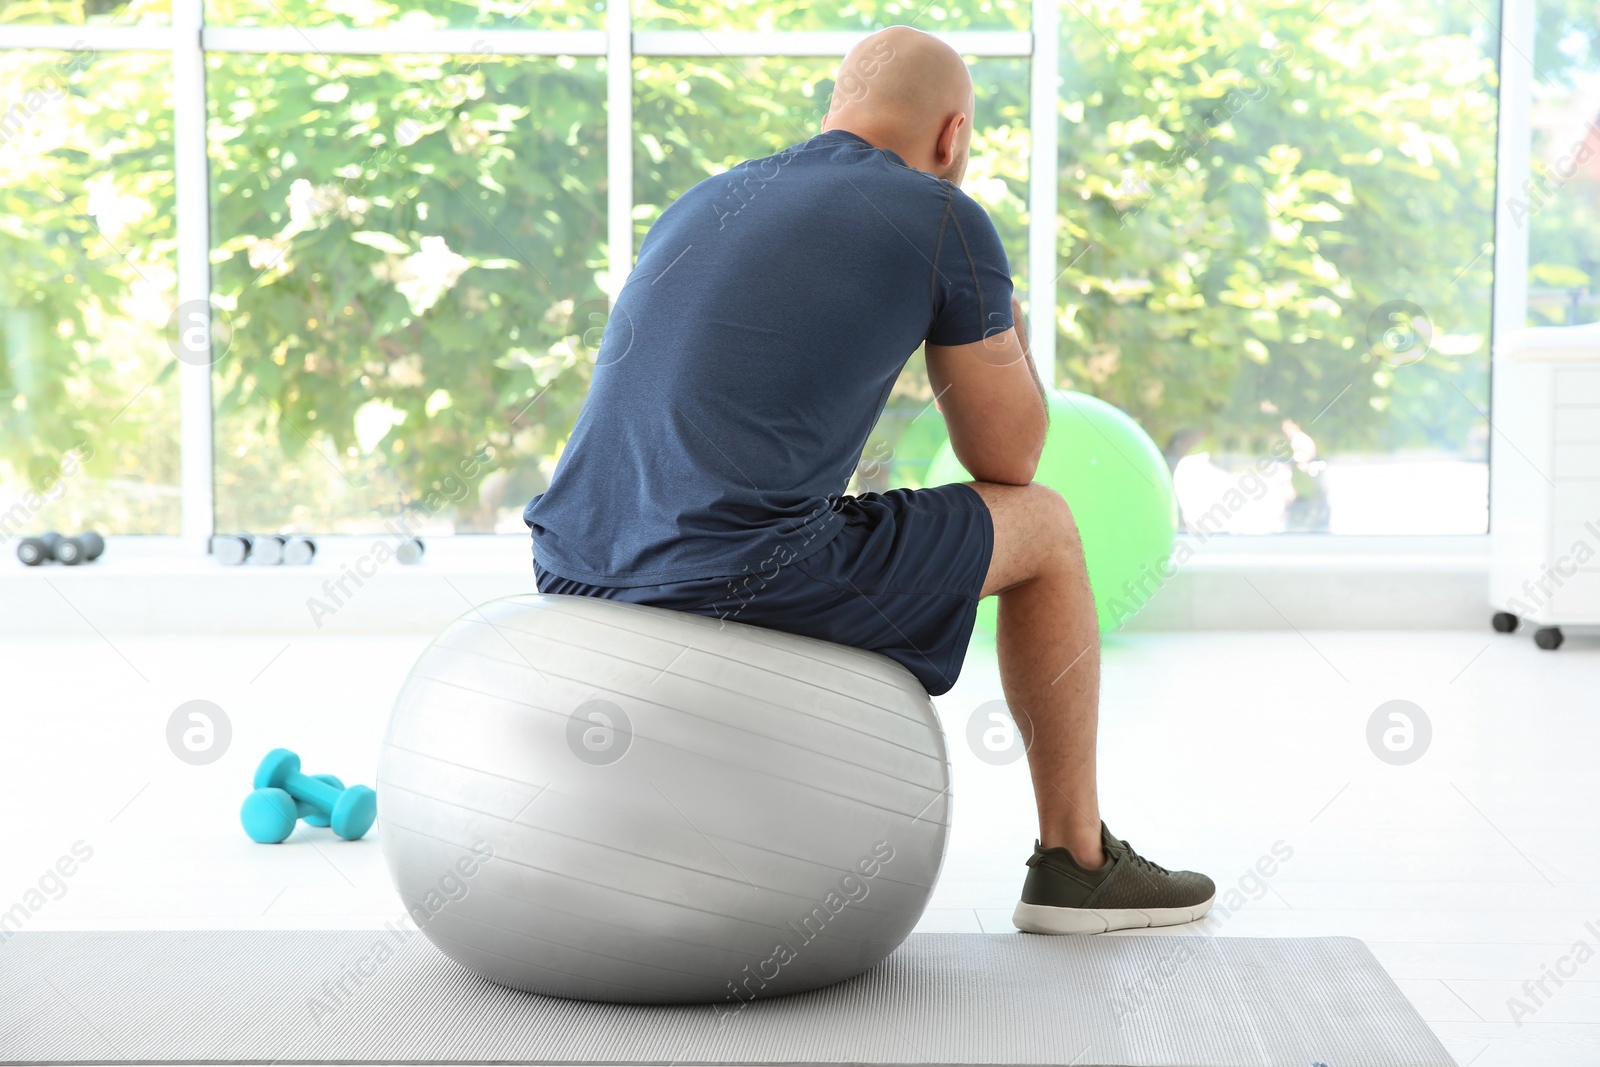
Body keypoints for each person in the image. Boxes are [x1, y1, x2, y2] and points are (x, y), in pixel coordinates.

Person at [525, 25, 1214, 935]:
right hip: (737, 571)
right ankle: (1077, 865)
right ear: (953, 137)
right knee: (1044, 526)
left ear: (834, 111)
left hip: (570, 567)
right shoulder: (943, 216)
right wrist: (1005, 324)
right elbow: (1008, 461)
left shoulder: (706, 197)